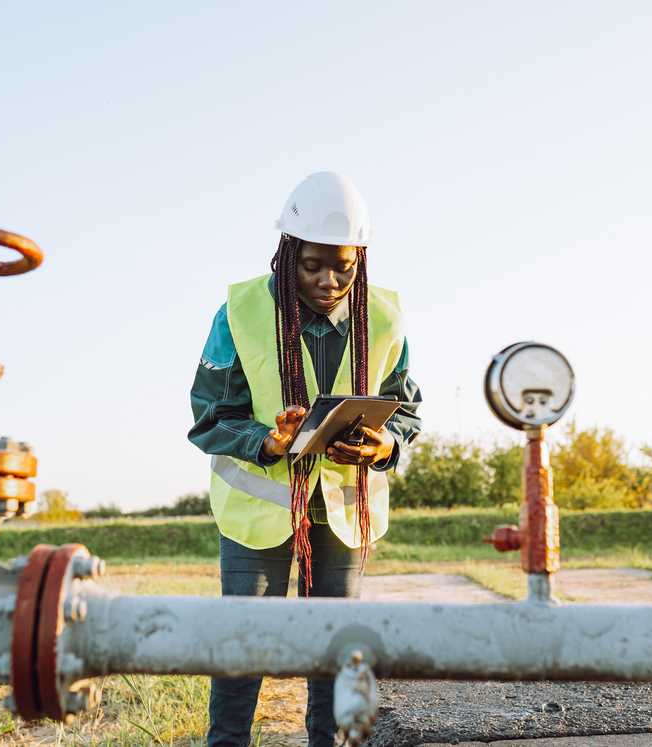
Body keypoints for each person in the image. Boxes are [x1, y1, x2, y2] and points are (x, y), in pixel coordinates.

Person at [187, 171, 422, 746]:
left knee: (333, 650)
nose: (329, 280)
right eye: (313, 264)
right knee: (245, 646)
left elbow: (407, 415)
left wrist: (383, 445)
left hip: (340, 514)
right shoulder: (239, 314)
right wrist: (268, 441)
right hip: (256, 513)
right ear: (287, 254)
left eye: (344, 266)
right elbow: (209, 420)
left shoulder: (385, 319)